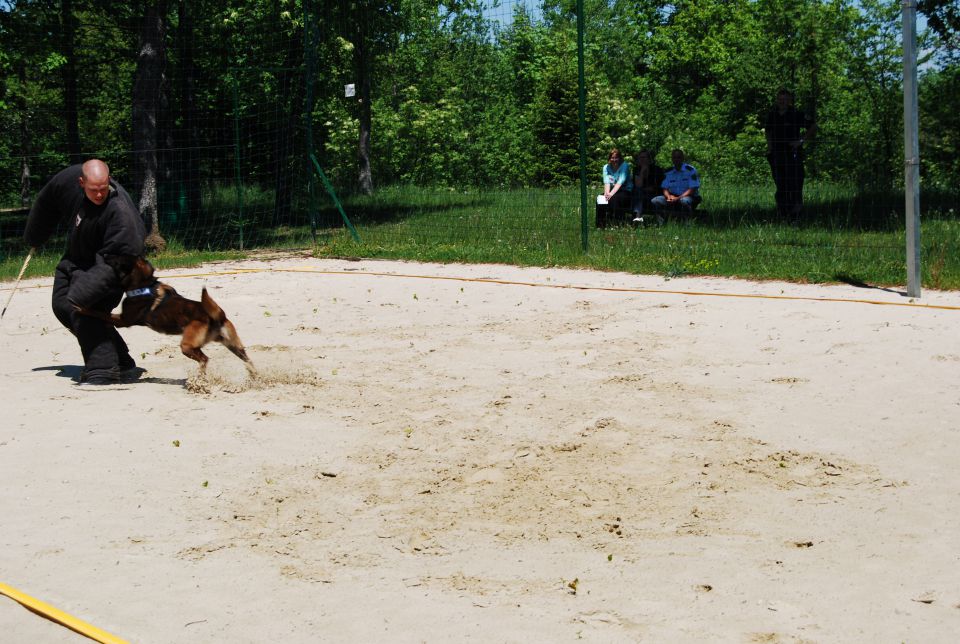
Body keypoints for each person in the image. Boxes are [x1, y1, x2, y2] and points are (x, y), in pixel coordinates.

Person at [24, 159, 147, 385]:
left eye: (103, 189)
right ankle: (122, 361)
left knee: (85, 309)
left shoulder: (120, 213)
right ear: (81, 183)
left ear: (108, 181)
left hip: (116, 266)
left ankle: (103, 370)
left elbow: (122, 257)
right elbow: (48, 197)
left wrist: (84, 293)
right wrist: (35, 236)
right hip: (78, 259)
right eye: (93, 190)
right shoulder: (71, 183)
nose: (99, 194)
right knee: (62, 304)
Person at [765, 88, 816, 221]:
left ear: (790, 101)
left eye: (785, 99)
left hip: (793, 154)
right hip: (776, 155)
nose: (782, 102)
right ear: (777, 100)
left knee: (795, 183)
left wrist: (800, 141)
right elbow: (768, 131)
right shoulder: (772, 114)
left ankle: (796, 215)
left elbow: (812, 126)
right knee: (781, 185)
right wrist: (770, 149)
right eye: (780, 99)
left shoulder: (796, 114)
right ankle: (782, 214)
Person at [650, 149, 702, 221]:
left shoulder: (690, 170)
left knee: (684, 201)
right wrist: (668, 196)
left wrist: (678, 198)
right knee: (655, 200)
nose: (676, 159)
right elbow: (664, 188)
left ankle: (688, 222)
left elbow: (692, 189)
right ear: (672, 159)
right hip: (672, 196)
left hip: (689, 196)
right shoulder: (669, 171)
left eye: (679, 157)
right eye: (674, 157)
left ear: (683, 158)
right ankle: (662, 223)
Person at [595, 148, 632, 228]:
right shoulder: (606, 167)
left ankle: (617, 223)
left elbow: (620, 181)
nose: (614, 160)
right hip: (612, 190)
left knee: (615, 198)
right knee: (600, 198)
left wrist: (611, 194)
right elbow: (606, 181)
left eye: (616, 157)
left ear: (620, 158)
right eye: (612, 157)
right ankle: (600, 225)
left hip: (625, 190)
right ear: (609, 158)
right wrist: (606, 194)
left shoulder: (624, 166)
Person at [630, 149, 665, 225]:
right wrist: (642, 172)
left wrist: (643, 189)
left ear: (649, 159)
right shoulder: (636, 169)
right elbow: (638, 185)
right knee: (638, 192)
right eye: (640, 158)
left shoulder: (657, 170)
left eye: (644, 157)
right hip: (641, 195)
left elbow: (654, 188)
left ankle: (637, 216)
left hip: (655, 195)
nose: (642, 159)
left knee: (638, 192)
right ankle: (638, 216)